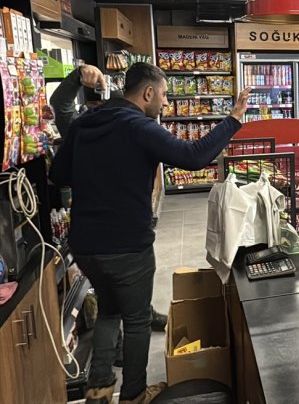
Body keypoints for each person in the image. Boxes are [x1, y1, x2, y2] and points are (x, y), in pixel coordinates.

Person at [50, 62, 251, 404]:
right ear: (147, 93)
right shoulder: (138, 126)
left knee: (110, 309)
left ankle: (98, 389)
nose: (166, 103)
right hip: (127, 245)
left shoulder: (86, 123)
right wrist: (233, 118)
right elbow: (194, 156)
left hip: (86, 246)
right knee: (138, 318)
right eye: (164, 94)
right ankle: (134, 394)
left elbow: (58, 172)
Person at [50, 64, 168, 332]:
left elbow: (60, 173)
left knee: (112, 304)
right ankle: (136, 328)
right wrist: (77, 77)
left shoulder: (85, 125)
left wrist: (76, 78)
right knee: (127, 298)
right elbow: (61, 104)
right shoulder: (113, 125)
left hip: (89, 236)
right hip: (123, 236)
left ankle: (110, 361)